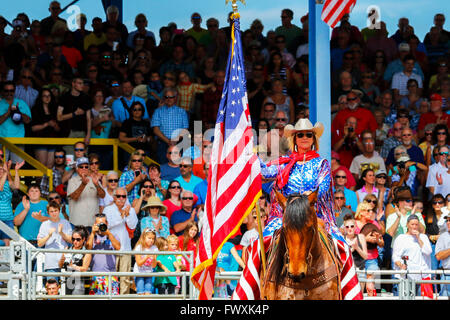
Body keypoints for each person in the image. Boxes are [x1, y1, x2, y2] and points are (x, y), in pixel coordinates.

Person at [103, 187, 138, 295]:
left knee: (125, 279)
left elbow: (133, 225)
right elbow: (109, 224)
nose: (121, 199)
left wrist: (127, 215)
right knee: (111, 278)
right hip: (110, 249)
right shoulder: (107, 210)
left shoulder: (130, 210)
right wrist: (122, 215)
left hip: (126, 249)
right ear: (114, 197)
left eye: (123, 196)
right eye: (118, 196)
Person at [392, 214, 432, 296]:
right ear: (407, 225)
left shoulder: (423, 237)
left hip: (423, 277)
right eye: (412, 224)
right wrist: (400, 265)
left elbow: (428, 251)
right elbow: (395, 256)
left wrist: (418, 238)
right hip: (407, 277)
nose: (414, 227)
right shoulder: (401, 238)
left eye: (416, 224)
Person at [151, 88, 189, 164]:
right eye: (166, 97)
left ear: (175, 98)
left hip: (178, 143)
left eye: (171, 97)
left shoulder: (182, 111)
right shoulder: (158, 111)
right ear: (163, 98)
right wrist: (168, 141)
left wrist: (175, 140)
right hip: (162, 143)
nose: (168, 99)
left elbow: (185, 129)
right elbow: (155, 130)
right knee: (162, 165)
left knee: (178, 165)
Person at [37, 201, 72, 283]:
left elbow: (71, 240)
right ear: (48, 212)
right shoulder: (44, 224)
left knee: (65, 292)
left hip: (64, 262)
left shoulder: (65, 223)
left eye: (55, 211)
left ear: (59, 211)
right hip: (50, 263)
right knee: (52, 290)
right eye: (51, 211)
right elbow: (39, 243)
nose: (54, 213)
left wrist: (61, 233)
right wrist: (49, 235)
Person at [86, 213, 121, 296]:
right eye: (98, 224)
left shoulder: (113, 235)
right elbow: (88, 247)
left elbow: (118, 247)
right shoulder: (92, 236)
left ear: (107, 224)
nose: (101, 226)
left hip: (111, 275)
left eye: (103, 224)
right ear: (95, 224)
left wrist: (108, 234)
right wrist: (92, 233)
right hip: (96, 275)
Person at [67, 157, 105, 228]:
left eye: (86, 167)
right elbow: (74, 197)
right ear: (77, 169)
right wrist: (83, 184)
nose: (84, 168)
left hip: (93, 223)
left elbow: (103, 195)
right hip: (77, 224)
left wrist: (97, 185)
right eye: (81, 167)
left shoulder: (94, 180)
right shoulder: (72, 181)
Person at [0, 81, 32, 164]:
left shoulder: (21, 103)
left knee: (18, 167)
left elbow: (28, 121)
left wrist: (18, 112)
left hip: (18, 140)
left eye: (11, 90)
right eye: (6, 91)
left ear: (14, 91)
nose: (9, 93)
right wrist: (8, 113)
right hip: (2, 141)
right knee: (1, 167)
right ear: (2, 91)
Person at [57, 77, 91, 147]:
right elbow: (59, 117)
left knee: (82, 157)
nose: (82, 85)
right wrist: (74, 114)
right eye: (79, 83)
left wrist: (88, 134)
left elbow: (89, 118)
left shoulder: (86, 98)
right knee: (69, 157)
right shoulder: (64, 97)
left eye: (83, 83)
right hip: (68, 132)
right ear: (73, 84)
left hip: (82, 133)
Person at [58, 225, 92, 295]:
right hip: (66, 281)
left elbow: (84, 269)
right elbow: (60, 265)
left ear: (83, 239)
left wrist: (72, 266)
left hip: (78, 283)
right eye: (73, 239)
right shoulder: (67, 249)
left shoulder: (86, 252)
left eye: (78, 239)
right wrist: (62, 259)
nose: (75, 241)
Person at [0, 159, 22, 246]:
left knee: (7, 244)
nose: (1, 171)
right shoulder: (3, 181)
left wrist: (16, 171)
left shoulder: (7, 183)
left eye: (2, 169)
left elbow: (16, 186)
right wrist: (6, 172)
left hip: (8, 218)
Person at [343, 214, 368, 289]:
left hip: (360, 270)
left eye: (352, 226)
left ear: (355, 227)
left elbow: (365, 256)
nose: (350, 229)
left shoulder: (361, 237)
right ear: (344, 228)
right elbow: (343, 257)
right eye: (347, 227)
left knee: (360, 295)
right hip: (347, 271)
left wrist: (357, 247)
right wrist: (352, 249)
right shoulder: (342, 238)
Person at [133, 228, 158, 295]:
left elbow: (154, 265)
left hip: (149, 273)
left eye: (153, 238)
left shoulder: (155, 248)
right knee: (140, 293)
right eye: (149, 238)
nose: (151, 240)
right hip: (139, 273)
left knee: (148, 293)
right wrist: (147, 257)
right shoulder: (139, 247)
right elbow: (139, 263)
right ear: (144, 237)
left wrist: (154, 259)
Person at [435, 214, 450, 296]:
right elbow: (438, 256)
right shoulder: (443, 237)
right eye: (447, 220)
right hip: (447, 274)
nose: (448, 223)